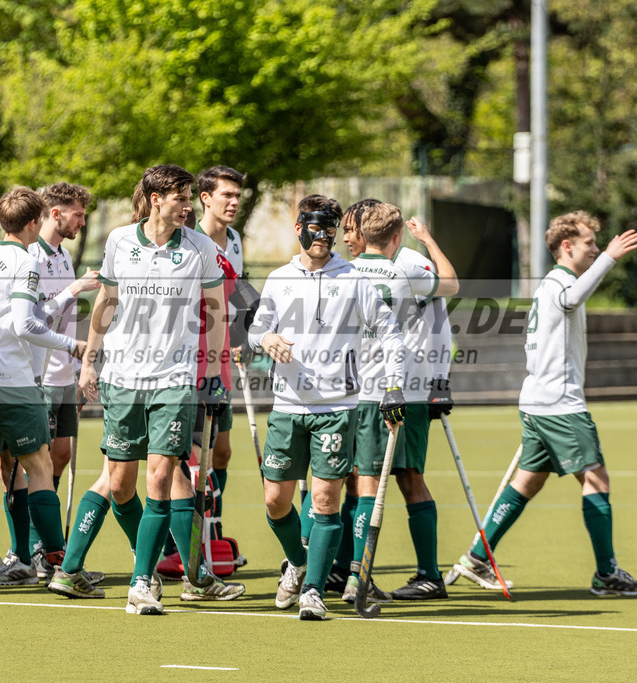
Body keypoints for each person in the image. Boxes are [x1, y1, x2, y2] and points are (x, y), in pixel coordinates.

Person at [450, 210, 637, 596]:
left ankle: (477, 557)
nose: (596, 248)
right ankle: (607, 574)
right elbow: (571, 300)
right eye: (590, 243)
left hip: (539, 400)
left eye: (598, 244)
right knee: (596, 479)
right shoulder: (561, 283)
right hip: (559, 404)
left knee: (528, 481)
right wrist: (610, 258)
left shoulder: (554, 283)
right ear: (567, 246)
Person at [62, 164, 230, 615]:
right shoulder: (119, 240)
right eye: (181, 198)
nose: (188, 205)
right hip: (122, 379)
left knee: (160, 477)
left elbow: (216, 310)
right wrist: (89, 362)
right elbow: (106, 301)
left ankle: (141, 582)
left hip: (174, 380)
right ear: (156, 199)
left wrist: (214, 373)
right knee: (120, 484)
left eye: (189, 197)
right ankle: (154, 566)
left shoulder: (201, 247)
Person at [248, 194, 406, 620]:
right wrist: (267, 339)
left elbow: (390, 333)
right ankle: (298, 564)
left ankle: (313, 590)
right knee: (275, 501)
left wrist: (393, 386)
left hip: (337, 407)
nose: (324, 237)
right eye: (316, 229)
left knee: (324, 498)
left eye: (331, 230)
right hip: (288, 405)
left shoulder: (354, 279)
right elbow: (257, 330)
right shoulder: (279, 278)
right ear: (299, 228)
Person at [0, 186, 86, 588]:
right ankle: (61, 566)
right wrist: (72, 345)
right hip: (13, 381)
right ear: (33, 222)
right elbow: (25, 323)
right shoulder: (24, 260)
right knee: (40, 468)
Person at [342, 200, 459, 602]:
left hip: (386, 389)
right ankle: (356, 570)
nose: (346, 237)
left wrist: (439, 378)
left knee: (370, 480)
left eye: (351, 229)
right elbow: (447, 293)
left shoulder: (394, 266)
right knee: (384, 479)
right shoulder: (404, 266)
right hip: (398, 388)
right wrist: (427, 238)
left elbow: (443, 305)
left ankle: (360, 576)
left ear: (364, 232)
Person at [26, 182, 101, 577]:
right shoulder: (31, 255)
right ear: (55, 214)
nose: (82, 222)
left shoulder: (64, 255)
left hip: (64, 375)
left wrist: (78, 373)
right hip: (37, 376)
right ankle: (31, 549)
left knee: (61, 456)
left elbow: (68, 319)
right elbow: (33, 317)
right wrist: (74, 288)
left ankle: (45, 546)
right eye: (77, 215)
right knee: (33, 463)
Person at [194, 166, 245, 549]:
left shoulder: (236, 240)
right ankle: (188, 539)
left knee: (222, 451)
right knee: (196, 455)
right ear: (205, 198)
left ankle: (214, 529)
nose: (234, 202)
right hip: (194, 361)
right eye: (226, 194)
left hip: (224, 359)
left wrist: (239, 336)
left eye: (237, 195)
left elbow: (236, 296)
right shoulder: (191, 241)